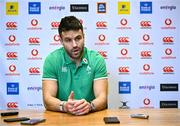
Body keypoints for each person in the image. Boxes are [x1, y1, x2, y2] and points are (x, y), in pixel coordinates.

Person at [42, 16, 108, 115]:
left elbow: (102, 98)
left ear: (83, 36)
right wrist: (64, 106)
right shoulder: (52, 60)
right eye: (68, 40)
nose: (74, 45)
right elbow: (47, 99)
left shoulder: (97, 59)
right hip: (63, 118)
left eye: (78, 38)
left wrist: (89, 106)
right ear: (61, 41)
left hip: (90, 116)